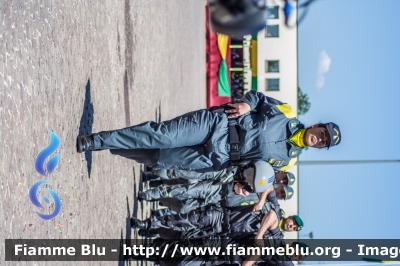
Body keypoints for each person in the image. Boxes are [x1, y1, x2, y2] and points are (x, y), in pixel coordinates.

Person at [77, 90, 341, 173]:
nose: (319, 139)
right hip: (219, 125)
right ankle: (96, 141)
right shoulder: (287, 113)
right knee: (162, 136)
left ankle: (112, 144)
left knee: (156, 158)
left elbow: (257, 173)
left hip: (217, 160)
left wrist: (249, 183)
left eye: (323, 143)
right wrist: (246, 104)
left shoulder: (288, 162)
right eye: (323, 133)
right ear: (317, 124)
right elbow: (258, 98)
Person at [130, 201, 303, 240]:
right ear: (289, 216)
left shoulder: (275, 237)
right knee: (185, 220)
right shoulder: (274, 207)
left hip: (221, 235)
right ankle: (148, 223)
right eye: (293, 222)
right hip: (221, 216)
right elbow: (269, 185)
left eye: (294, 228)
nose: (291, 226)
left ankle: (156, 231)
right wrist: (261, 199)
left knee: (186, 238)